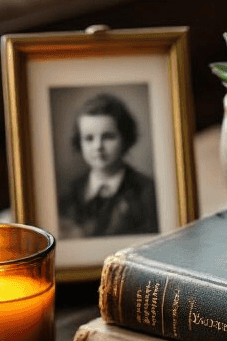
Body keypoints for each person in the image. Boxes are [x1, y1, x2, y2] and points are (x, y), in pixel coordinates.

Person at [59, 92, 159, 238]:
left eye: (108, 137)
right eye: (89, 138)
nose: (98, 146)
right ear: (79, 143)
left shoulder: (148, 192)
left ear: (125, 139)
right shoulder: (69, 195)